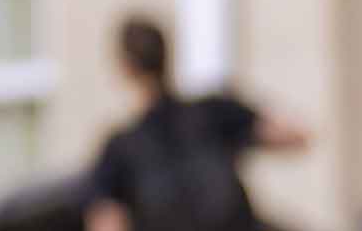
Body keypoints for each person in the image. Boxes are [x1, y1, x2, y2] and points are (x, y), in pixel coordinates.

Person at [83, 14, 312, 231]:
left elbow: (107, 220)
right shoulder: (214, 111)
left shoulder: (120, 147)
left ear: (125, 67)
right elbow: (295, 136)